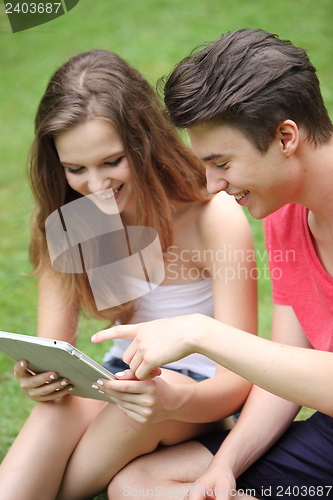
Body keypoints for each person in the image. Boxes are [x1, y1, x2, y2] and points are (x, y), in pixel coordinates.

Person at [0, 49, 257, 500]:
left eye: (111, 162)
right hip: (118, 377)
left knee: (128, 408)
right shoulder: (73, 217)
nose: (96, 185)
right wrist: (38, 377)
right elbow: (52, 349)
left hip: (194, 392)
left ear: (145, 141)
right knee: (54, 413)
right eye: (75, 169)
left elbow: (238, 382)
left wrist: (170, 400)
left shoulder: (210, 214)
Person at [95, 29, 333, 499]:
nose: (210, 185)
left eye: (221, 161)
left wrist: (202, 333)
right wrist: (224, 468)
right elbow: (283, 376)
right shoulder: (284, 213)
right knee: (139, 485)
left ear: (285, 136)